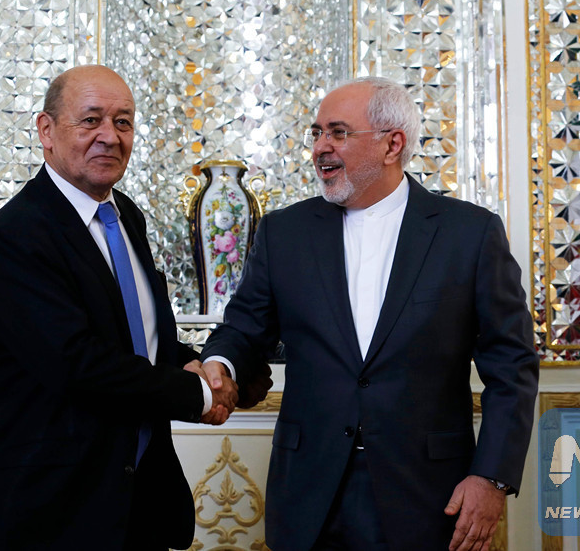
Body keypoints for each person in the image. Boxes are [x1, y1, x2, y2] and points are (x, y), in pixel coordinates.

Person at [200, 77, 539, 550]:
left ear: (392, 145)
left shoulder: (470, 234)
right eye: (316, 133)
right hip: (308, 493)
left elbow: (512, 366)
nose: (320, 147)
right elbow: (243, 329)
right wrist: (220, 364)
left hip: (427, 494)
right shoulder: (284, 233)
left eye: (338, 133)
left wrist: (491, 478)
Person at [0, 65, 241, 551]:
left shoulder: (125, 216)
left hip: (129, 503)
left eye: (123, 121)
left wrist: (195, 363)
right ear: (46, 131)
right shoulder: (21, 230)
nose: (110, 136)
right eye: (91, 120)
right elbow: (75, 361)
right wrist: (195, 392)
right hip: (43, 511)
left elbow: (132, 334)